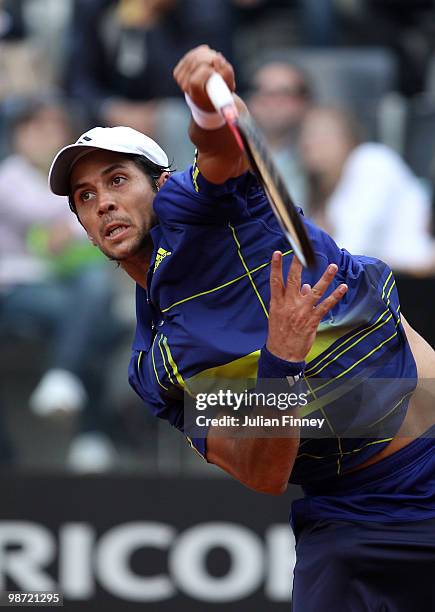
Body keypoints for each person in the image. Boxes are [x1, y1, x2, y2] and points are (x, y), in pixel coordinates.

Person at [48, 46, 435, 610]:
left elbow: (221, 148)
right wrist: (281, 361)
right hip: (351, 518)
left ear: (160, 183)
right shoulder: (159, 362)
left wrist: (207, 100)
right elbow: (263, 470)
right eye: (86, 197)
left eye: (117, 180)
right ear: (82, 223)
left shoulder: (202, 208)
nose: (104, 202)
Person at [0, 98, 122, 471]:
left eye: (54, 129)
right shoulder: (9, 178)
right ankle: (92, 433)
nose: (45, 137)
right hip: (15, 289)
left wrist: (75, 222)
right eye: (35, 128)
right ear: (18, 136)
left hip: (69, 288)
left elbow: (85, 228)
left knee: (96, 290)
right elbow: (46, 232)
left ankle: (62, 377)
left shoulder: (77, 184)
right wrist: (77, 220)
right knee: (101, 326)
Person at [299, 105, 435, 274]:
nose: (310, 142)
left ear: (349, 138)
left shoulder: (370, 160)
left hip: (412, 280)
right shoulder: (324, 189)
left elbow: (353, 245)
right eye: (306, 134)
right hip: (379, 282)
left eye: (323, 134)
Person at [247, 60, 312, 206]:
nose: (271, 102)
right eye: (262, 91)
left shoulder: (321, 155)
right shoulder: (225, 152)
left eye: (283, 93)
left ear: (305, 101)